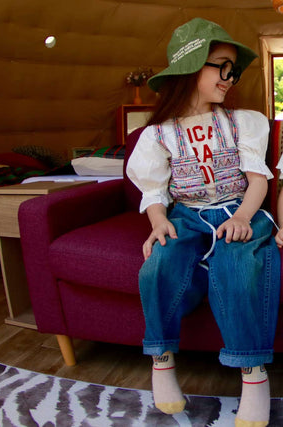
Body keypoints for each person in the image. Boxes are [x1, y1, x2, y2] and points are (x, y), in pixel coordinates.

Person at [126, 17, 281, 427]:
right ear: (190, 67)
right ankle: (161, 361)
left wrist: (245, 216)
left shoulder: (244, 122)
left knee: (241, 265)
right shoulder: (157, 135)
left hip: (237, 207)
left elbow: (258, 180)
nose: (230, 77)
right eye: (221, 66)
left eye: (233, 69)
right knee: (158, 263)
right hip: (187, 215)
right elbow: (155, 191)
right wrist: (158, 221)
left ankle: (253, 375)